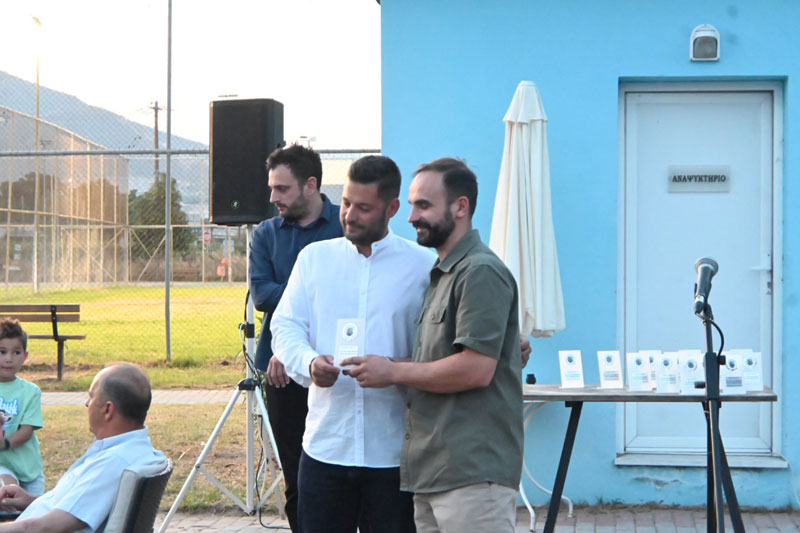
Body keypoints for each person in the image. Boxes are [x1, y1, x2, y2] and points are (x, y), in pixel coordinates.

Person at [344, 158, 524, 532]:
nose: (411, 217)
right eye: (412, 205)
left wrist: (393, 372)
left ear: (461, 207)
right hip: (433, 473)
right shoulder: (443, 274)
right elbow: (440, 360)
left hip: (471, 476)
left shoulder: (480, 271)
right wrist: (383, 365)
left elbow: (475, 369)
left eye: (424, 205)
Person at [271, 155, 435, 533]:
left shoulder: (422, 267)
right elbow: (286, 326)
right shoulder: (314, 260)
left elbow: (441, 343)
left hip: (392, 453)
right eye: (346, 203)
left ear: (392, 208)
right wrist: (310, 363)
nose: (349, 215)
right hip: (325, 449)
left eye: (363, 208)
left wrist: (394, 369)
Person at [248, 143, 343, 532]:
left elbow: (353, 295)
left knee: (343, 473)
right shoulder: (266, 235)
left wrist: (297, 309)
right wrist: (289, 347)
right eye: (271, 187)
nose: (273, 197)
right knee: (297, 474)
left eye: (282, 188)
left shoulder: (344, 228)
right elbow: (262, 294)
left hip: (337, 367)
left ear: (311, 185)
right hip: (282, 372)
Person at [0, 363, 167, 533]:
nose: (87, 404)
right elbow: (80, 506)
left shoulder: (113, 462)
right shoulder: (134, 451)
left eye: (91, 397)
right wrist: (31, 501)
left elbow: (45, 527)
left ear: (108, 409)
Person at [0, 318, 44, 496]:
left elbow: (26, 431)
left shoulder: (31, 391)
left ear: (25, 356)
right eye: (2, 352)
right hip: (3, 468)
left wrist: (5, 444)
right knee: (8, 495)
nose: (9, 359)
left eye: (16, 352)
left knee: (33, 509)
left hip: (28, 469)